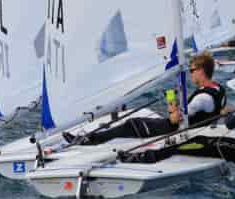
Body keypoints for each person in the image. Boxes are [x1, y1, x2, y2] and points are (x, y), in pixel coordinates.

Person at [126, 48, 235, 169]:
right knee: (202, 141)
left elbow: (229, 124)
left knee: (192, 143)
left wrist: (226, 112)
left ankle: (143, 158)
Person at [64, 52, 226, 145]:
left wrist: (171, 100)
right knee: (134, 123)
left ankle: (87, 141)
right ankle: (89, 138)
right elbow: (222, 110)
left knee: (131, 124)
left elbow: (175, 118)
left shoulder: (202, 98)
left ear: (201, 71)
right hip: (193, 129)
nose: (190, 74)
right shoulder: (218, 89)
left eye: (192, 70)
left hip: (171, 130)